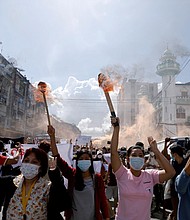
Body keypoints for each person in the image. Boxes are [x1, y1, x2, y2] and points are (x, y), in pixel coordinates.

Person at [110, 117, 175, 220]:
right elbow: (113, 152)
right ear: (128, 159)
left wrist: (156, 151)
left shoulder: (150, 175)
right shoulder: (122, 173)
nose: (137, 158)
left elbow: (171, 172)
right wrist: (116, 128)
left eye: (140, 156)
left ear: (144, 160)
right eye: (134, 155)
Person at [48, 125, 109, 220]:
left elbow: (102, 200)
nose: (84, 161)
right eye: (81, 159)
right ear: (77, 162)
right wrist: (52, 137)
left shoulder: (97, 178)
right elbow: (57, 158)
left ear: (91, 162)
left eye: (87, 159)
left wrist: (107, 217)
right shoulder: (72, 175)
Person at [1, 147, 71, 220]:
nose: (29, 164)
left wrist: (55, 174)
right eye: (26, 160)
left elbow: (64, 204)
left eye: (34, 162)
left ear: (41, 167)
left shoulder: (47, 187)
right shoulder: (11, 183)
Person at [162, 138, 187, 220]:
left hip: (184, 191)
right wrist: (166, 144)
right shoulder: (173, 163)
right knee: (176, 210)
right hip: (174, 190)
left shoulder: (186, 164)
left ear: (175, 154)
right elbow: (163, 154)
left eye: (172, 154)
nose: (171, 156)